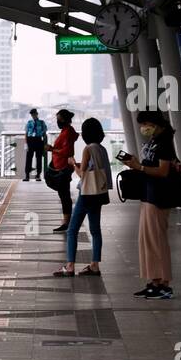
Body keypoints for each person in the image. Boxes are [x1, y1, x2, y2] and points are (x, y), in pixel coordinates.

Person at [123, 110, 181, 299]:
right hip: (148, 195)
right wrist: (135, 163)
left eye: (146, 124)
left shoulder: (164, 141)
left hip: (159, 197)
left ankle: (163, 285)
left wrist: (138, 167)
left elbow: (163, 171)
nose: (143, 128)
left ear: (156, 124)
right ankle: (152, 281)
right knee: (146, 240)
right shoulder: (154, 141)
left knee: (157, 241)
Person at [54, 118, 111, 277]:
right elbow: (97, 170)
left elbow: (82, 175)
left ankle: (70, 266)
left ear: (86, 133)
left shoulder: (88, 149)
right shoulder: (102, 149)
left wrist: (73, 163)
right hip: (99, 194)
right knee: (95, 231)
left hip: (86, 195)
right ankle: (94, 265)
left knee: (72, 230)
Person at [45, 108, 77, 232]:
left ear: (64, 119)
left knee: (64, 195)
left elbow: (67, 151)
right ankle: (66, 220)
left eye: (58, 119)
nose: (57, 121)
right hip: (60, 166)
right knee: (63, 193)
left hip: (63, 168)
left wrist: (51, 149)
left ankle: (66, 222)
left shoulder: (68, 132)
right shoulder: (66, 130)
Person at [24, 108, 48, 181]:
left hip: (38, 140)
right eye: (32, 114)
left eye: (34, 114)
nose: (33, 115)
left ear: (37, 114)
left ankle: (38, 175)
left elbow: (44, 134)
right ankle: (27, 175)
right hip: (30, 140)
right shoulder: (29, 122)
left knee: (39, 158)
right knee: (28, 159)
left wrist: (44, 144)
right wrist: (26, 144)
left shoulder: (41, 122)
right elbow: (26, 133)